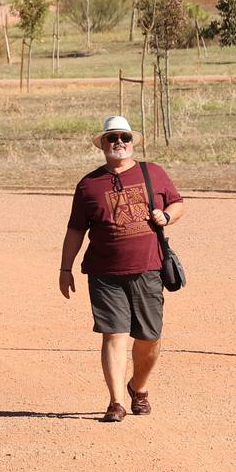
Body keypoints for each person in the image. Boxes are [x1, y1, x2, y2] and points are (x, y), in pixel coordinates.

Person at [59, 115, 186, 422]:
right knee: (113, 335)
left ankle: (138, 388)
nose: (119, 142)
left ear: (132, 142)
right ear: (103, 144)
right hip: (105, 273)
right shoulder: (89, 185)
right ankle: (116, 402)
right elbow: (76, 230)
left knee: (149, 338)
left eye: (124, 137)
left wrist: (166, 217)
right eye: (112, 137)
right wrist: (65, 269)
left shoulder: (152, 172)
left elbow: (178, 203)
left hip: (148, 269)